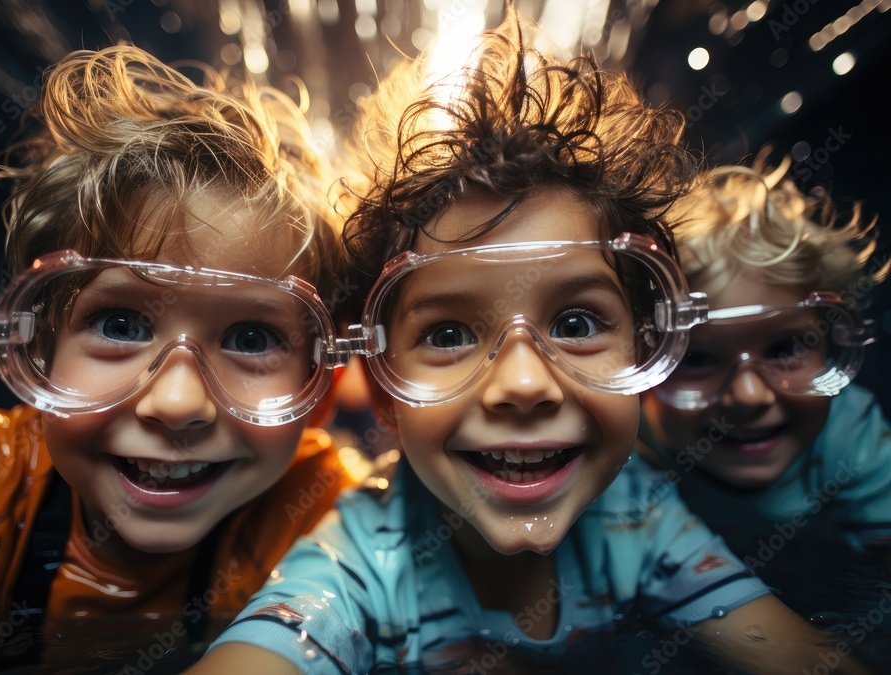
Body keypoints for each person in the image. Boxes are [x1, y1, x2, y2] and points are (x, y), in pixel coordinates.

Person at [189, 9, 875, 675]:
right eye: (450, 333)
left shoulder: (635, 514)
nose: (523, 384)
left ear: (644, 357)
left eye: (576, 324)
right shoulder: (359, 564)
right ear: (385, 392)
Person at [0, 45, 366, 673]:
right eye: (121, 324)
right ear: (39, 351)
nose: (177, 403)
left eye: (251, 338)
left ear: (320, 391)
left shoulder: (322, 505)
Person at [637, 155, 891, 582]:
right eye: (696, 358)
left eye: (785, 348)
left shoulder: (851, 436)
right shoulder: (631, 447)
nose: (750, 396)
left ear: (829, 343)